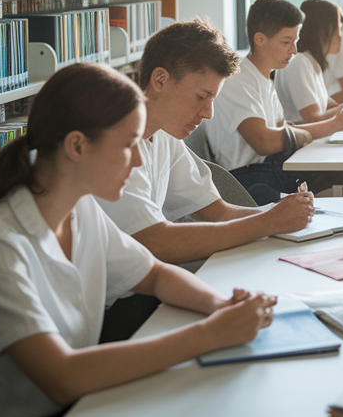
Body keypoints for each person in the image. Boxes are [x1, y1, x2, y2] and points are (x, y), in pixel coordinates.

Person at [0, 63, 276, 417]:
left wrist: (219, 306)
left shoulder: (79, 210)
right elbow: (62, 376)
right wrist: (210, 334)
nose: (137, 161)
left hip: (75, 407)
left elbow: (154, 274)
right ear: (78, 146)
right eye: (128, 144)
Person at [97, 18, 315, 268]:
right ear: (160, 80)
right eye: (202, 96)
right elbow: (155, 241)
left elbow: (218, 213)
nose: (208, 113)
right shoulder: (114, 143)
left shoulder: (165, 135)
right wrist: (269, 222)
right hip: (116, 297)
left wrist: (281, 213)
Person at [202, 0, 343, 204]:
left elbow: (282, 129)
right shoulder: (237, 79)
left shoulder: (265, 78)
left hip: (270, 168)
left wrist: (329, 126)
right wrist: (334, 125)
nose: (293, 50)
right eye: (286, 42)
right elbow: (265, 142)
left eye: (295, 41)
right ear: (260, 39)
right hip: (246, 180)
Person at [276, 0, 343, 123]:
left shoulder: (313, 63)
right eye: (337, 30)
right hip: (305, 140)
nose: (340, 37)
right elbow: (313, 117)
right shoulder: (298, 62)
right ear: (321, 31)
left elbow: (329, 105)